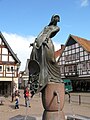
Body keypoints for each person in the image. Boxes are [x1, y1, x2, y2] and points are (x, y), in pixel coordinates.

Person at [29, 14, 63, 95]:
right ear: (52, 18)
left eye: (58, 18)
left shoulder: (57, 28)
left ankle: (54, 77)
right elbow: (40, 34)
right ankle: (42, 77)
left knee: (52, 60)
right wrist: (35, 41)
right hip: (41, 41)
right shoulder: (46, 27)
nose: (56, 19)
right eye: (55, 17)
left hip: (47, 42)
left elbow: (50, 33)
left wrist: (46, 39)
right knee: (40, 58)